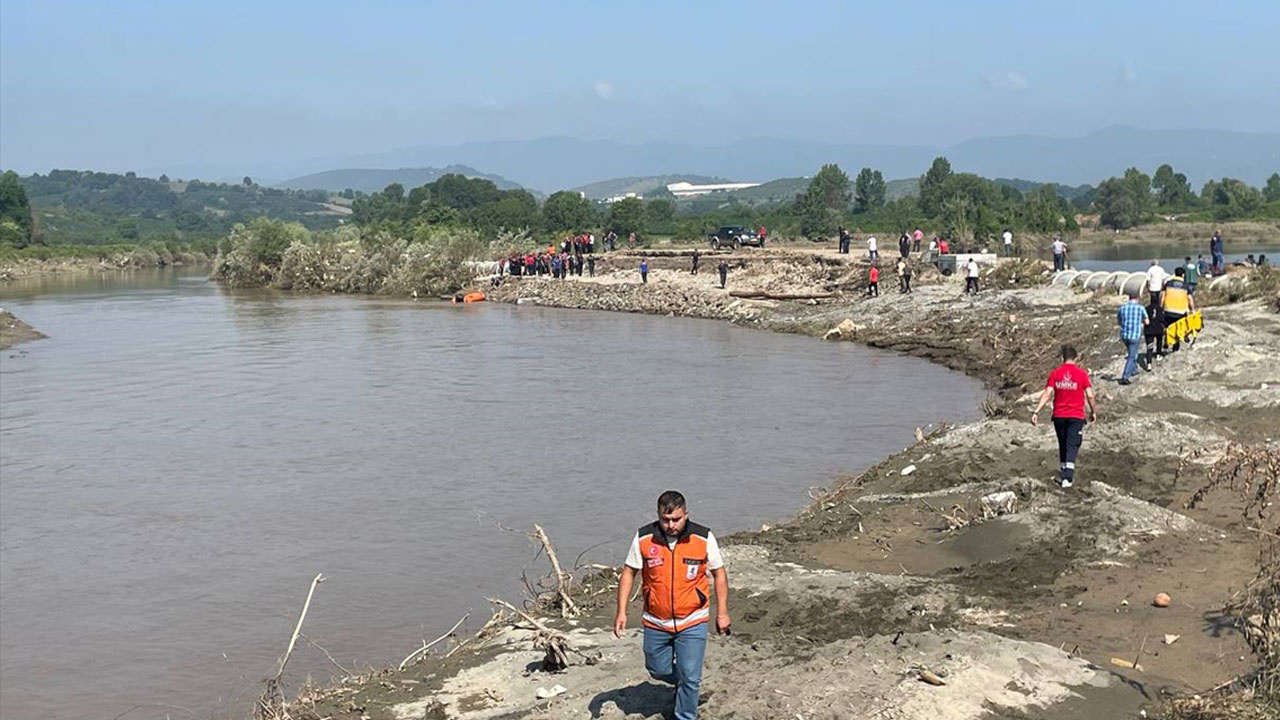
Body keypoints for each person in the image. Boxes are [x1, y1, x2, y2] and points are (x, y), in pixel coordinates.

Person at [615, 491, 729, 720]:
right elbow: (629, 572)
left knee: (690, 675)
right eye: (665, 520)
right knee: (658, 669)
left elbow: (719, 574)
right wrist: (621, 612)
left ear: (686, 515)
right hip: (656, 620)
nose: (671, 525)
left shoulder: (703, 537)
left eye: (676, 519)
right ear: (658, 516)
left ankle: (686, 711)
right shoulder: (644, 537)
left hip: (693, 619)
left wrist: (723, 613)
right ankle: (686, 684)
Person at [1031, 345, 1097, 489]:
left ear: (1063, 358)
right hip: (1076, 415)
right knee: (1072, 444)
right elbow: (1090, 395)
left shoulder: (1056, 373)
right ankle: (1067, 477)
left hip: (1059, 415)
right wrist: (1093, 411)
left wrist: (1036, 411)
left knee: (1063, 443)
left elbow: (1047, 393)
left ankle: (1063, 472)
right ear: (1076, 358)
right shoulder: (1082, 374)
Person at [1116, 291, 1148, 385]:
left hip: (1124, 335)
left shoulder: (1122, 308)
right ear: (1138, 298)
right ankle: (1125, 377)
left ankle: (1134, 369)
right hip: (1135, 335)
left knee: (1131, 352)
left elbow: (1119, 321)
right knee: (1132, 356)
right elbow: (1147, 321)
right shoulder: (1140, 308)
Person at [1161, 267, 1194, 353]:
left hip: (1168, 310)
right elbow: (1190, 299)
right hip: (1181, 311)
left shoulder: (1168, 284)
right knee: (1178, 328)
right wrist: (1192, 309)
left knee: (1168, 327)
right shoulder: (1186, 286)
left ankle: (1166, 342)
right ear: (1183, 275)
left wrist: (1161, 307)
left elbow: (1162, 296)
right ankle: (1176, 346)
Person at [1142, 301, 1165, 371]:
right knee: (1159, 341)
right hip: (1158, 329)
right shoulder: (1160, 309)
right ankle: (1158, 354)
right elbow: (1162, 319)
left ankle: (1149, 364)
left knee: (1149, 347)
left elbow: (1144, 319)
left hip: (1149, 330)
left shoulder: (1146, 308)